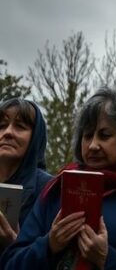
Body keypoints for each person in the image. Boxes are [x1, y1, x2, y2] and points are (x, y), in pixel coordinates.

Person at [2, 88, 116, 270]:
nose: (93, 145)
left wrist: (106, 259)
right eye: (87, 136)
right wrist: (49, 244)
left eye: (104, 136)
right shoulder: (57, 190)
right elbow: (11, 263)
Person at [0, 98, 51, 254]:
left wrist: (13, 245)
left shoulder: (49, 189)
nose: (8, 132)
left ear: (36, 137)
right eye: (2, 126)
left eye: (20, 126)